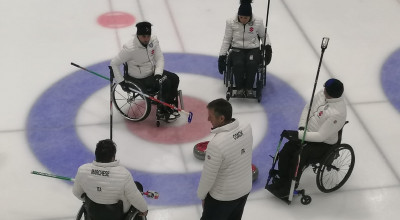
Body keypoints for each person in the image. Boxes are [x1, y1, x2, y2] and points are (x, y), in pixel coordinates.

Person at [266, 78, 347, 198]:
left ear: (331, 94)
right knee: (287, 149)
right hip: (307, 133)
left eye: (326, 89)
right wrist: (302, 127)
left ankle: (290, 185)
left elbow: (320, 136)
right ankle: (283, 179)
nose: (323, 89)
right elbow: (307, 108)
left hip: (324, 143)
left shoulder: (337, 113)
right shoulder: (321, 93)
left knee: (299, 155)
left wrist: (298, 135)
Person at [110, 21, 180, 120]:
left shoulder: (153, 40)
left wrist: (158, 74)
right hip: (139, 78)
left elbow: (159, 58)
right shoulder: (130, 48)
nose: (146, 39)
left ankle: (169, 104)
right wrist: (121, 82)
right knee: (165, 82)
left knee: (174, 78)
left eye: (148, 36)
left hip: (152, 72)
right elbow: (114, 63)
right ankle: (162, 111)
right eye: (143, 36)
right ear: (138, 35)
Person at [197, 98, 253, 220]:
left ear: (221, 118)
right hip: (245, 189)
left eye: (210, 116)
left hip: (223, 197)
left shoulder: (216, 144)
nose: (208, 119)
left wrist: (202, 196)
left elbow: (208, 176)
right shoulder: (247, 127)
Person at [73, 139, 148, 219]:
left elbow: (77, 193)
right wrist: (144, 210)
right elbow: (134, 197)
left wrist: (95, 198)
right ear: (113, 157)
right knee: (138, 186)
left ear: (96, 154)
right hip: (116, 216)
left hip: (93, 213)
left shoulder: (83, 170)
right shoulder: (123, 174)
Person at [218, 0, 272, 97]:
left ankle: (249, 88)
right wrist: (221, 56)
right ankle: (239, 88)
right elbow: (227, 40)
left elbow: (264, 36)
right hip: (236, 49)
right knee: (238, 64)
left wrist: (267, 49)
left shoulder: (258, 22)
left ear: (250, 16)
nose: (243, 19)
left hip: (253, 49)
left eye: (246, 18)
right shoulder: (230, 22)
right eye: (241, 17)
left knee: (252, 64)